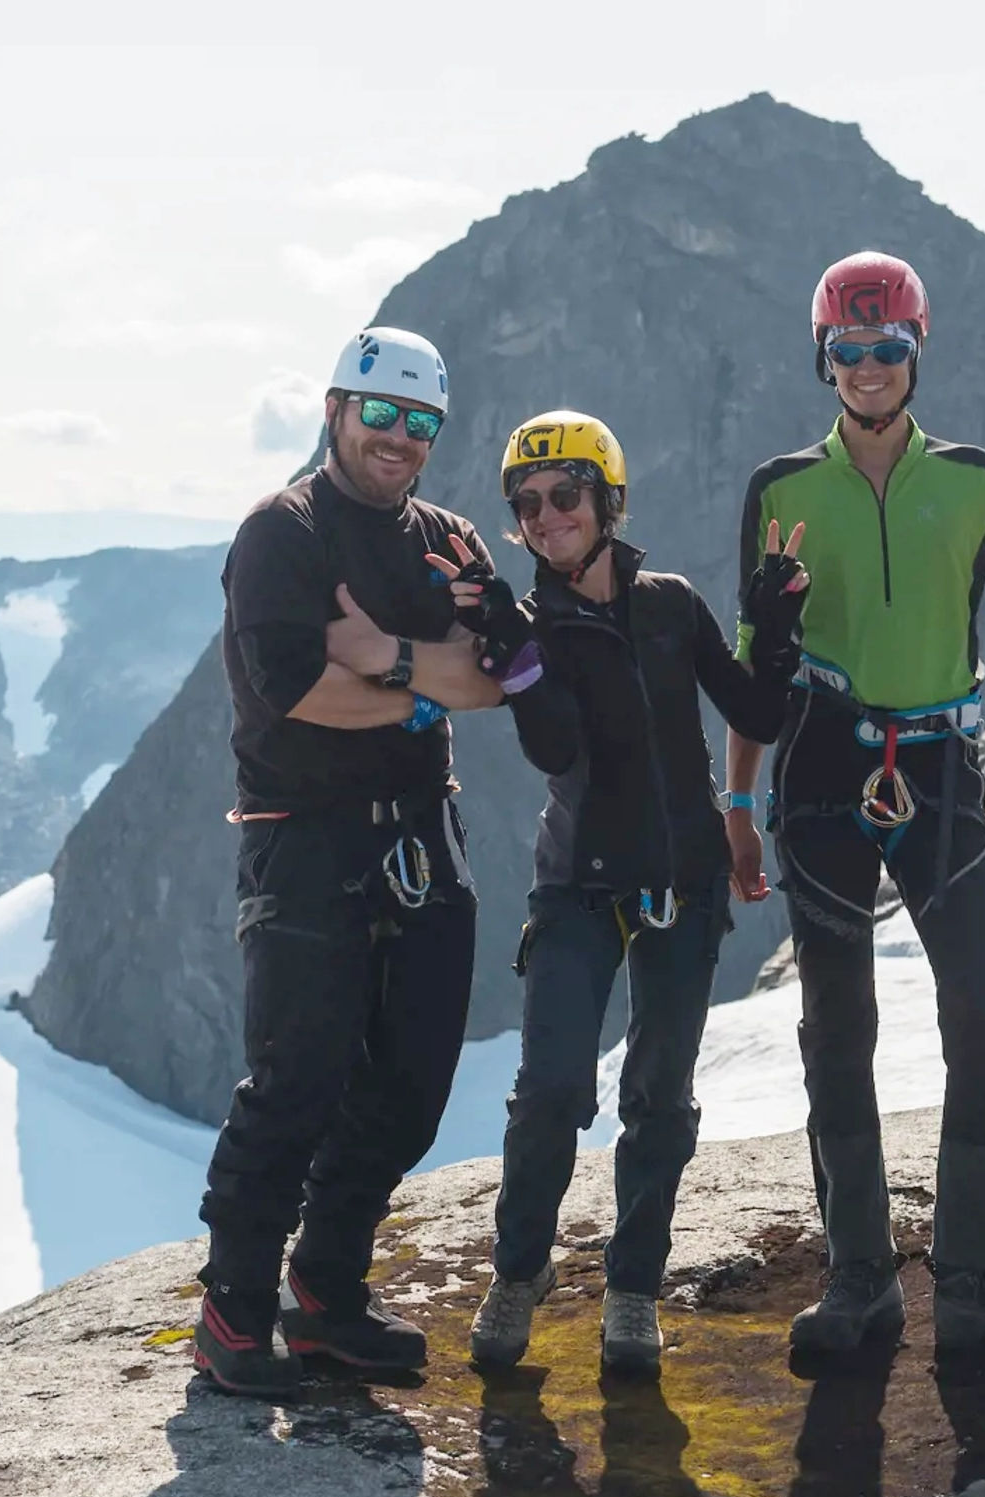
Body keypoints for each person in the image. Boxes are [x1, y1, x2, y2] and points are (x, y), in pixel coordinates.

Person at [724, 252, 985, 1357]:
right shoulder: (780, 490)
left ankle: (975, 1281)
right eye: (849, 349)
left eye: (888, 349)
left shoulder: (976, 482)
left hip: (938, 768)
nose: (870, 366)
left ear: (918, 350)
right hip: (825, 764)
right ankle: (860, 1285)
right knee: (838, 1029)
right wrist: (735, 799)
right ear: (822, 356)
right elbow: (757, 663)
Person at [426, 411, 811, 1376]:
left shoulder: (672, 605)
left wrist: (775, 624)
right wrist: (511, 652)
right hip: (579, 889)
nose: (546, 517)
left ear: (606, 500)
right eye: (528, 505)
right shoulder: (530, 625)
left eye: (565, 496)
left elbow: (759, 712)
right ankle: (519, 1275)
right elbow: (556, 748)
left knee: (660, 1098)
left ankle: (632, 1292)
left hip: (682, 883)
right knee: (552, 1090)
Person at [191, 326, 508, 1396]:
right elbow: (293, 691)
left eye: (423, 424)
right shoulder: (280, 534)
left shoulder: (450, 541)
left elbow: (497, 676)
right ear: (335, 411)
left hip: (422, 830)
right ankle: (235, 1310)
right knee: (300, 1077)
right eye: (383, 415)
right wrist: (426, 680)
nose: (402, 440)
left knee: (412, 1081)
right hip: (304, 834)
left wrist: (384, 657)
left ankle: (326, 1291)